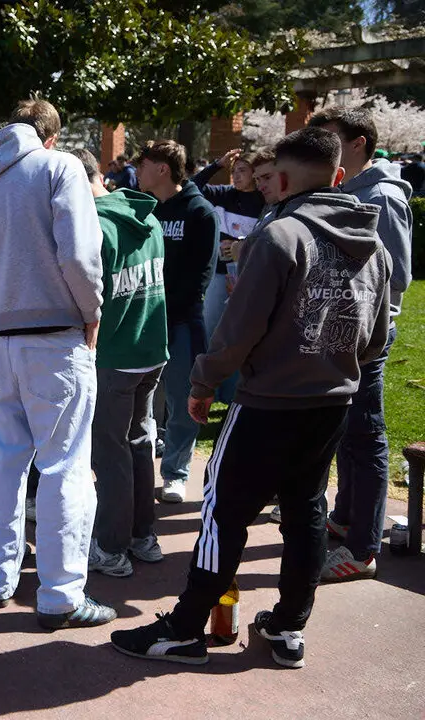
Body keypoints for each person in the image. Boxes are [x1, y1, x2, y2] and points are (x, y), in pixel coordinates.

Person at [111, 127, 391, 669]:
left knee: (223, 509)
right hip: (332, 401)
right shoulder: (372, 244)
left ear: (282, 179)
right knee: (306, 509)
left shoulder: (280, 235)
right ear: (338, 177)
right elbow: (377, 337)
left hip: (268, 401)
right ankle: (289, 626)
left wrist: (203, 381)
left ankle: (187, 626)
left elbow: (238, 329)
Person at [0, 99, 114, 629]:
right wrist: (91, 313)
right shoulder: (58, 169)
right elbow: (80, 257)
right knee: (64, 467)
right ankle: (61, 595)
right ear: (52, 137)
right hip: (56, 338)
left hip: (0, 340)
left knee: (6, 459)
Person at [309, 107, 415, 582]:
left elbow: (399, 276)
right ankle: (346, 517)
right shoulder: (345, 190)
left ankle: (363, 549)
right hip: (342, 331)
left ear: (358, 143)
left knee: (367, 433)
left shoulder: (382, 197)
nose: (323, 149)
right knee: (348, 432)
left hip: (367, 335)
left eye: (330, 140)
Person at [66, 149, 170, 579]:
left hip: (114, 356)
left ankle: (111, 547)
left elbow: (84, 298)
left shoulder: (96, 227)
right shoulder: (149, 218)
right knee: (138, 445)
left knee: (111, 455)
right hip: (150, 351)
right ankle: (143, 536)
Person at [137, 140, 219, 504]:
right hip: (142, 320)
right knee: (140, 399)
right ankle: (138, 470)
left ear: (163, 170)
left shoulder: (200, 212)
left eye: (144, 164)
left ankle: (175, 472)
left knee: (182, 399)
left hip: (181, 321)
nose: (137, 171)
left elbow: (202, 275)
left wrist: (166, 309)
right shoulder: (144, 209)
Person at [190, 148, 265, 404]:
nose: (236, 175)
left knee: (240, 337)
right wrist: (217, 165)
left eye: (242, 170)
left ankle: (233, 393)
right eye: (234, 171)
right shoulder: (224, 195)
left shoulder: (265, 202)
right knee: (211, 332)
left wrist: (239, 245)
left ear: (256, 173)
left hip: (249, 279)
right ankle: (211, 390)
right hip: (219, 276)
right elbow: (192, 186)